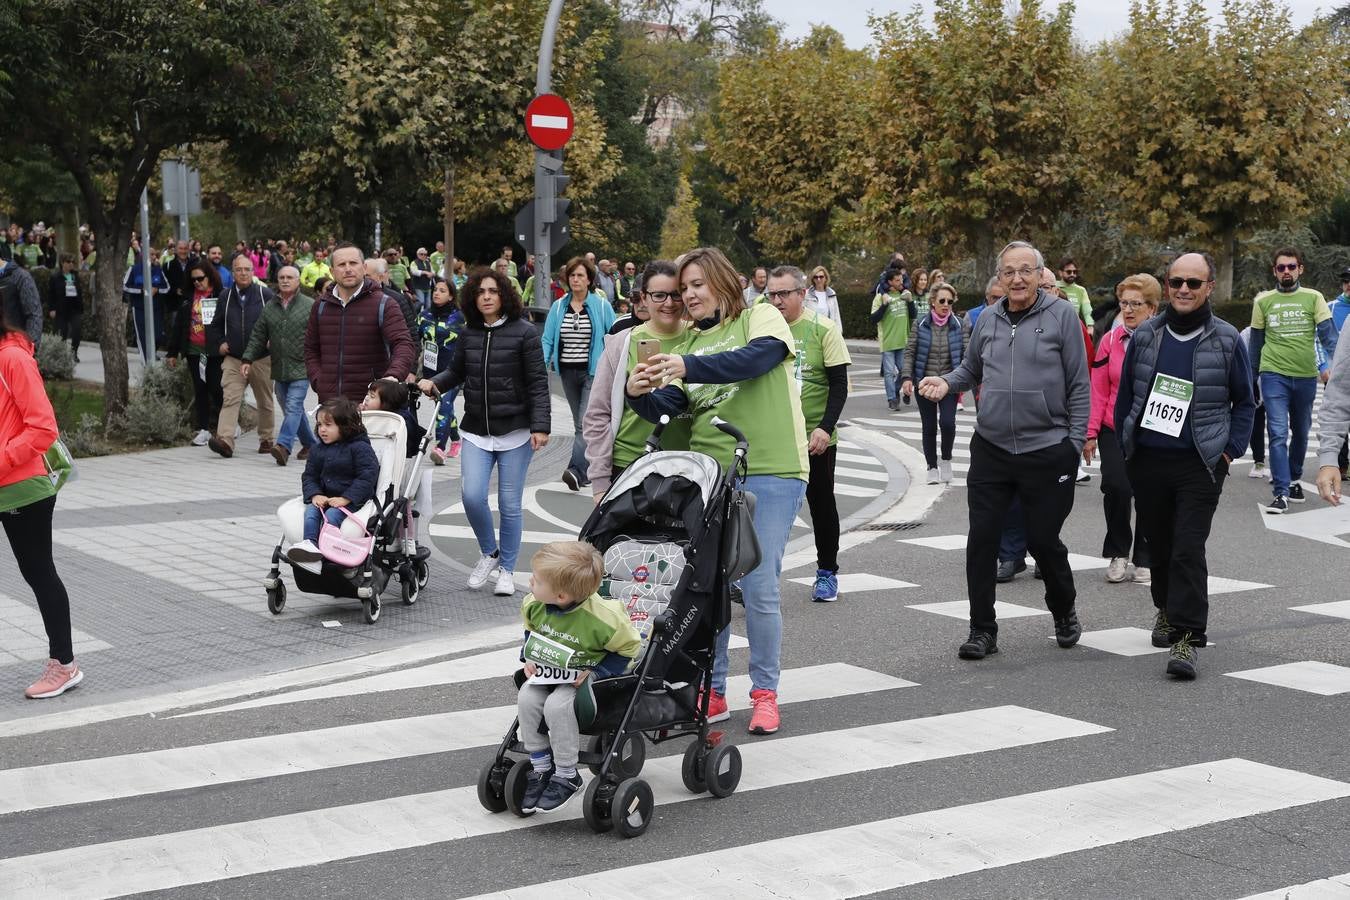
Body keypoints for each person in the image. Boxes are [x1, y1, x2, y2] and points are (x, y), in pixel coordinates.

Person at [626, 247, 808, 736]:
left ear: (723, 282)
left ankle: (765, 693)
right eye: (684, 288)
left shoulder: (760, 316)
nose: (689, 295)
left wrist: (686, 365)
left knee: (758, 582)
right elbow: (670, 413)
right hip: (713, 474)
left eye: (697, 285)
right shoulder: (686, 342)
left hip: (770, 467)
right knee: (710, 588)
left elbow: (758, 359)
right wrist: (639, 393)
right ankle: (715, 689)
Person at [918, 240, 1089, 661]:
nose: (1017, 278)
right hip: (992, 448)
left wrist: (1074, 443)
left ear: (1039, 275)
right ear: (999, 278)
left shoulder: (1062, 316)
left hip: (1047, 448)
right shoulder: (987, 319)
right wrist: (947, 382)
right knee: (982, 541)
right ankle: (982, 630)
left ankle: (1063, 608)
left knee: (1043, 540)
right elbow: (972, 369)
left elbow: (1079, 384)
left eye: (1025, 270)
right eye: (1009, 271)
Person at [1115, 252, 1254, 679]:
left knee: (1187, 549)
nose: (1184, 290)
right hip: (1150, 461)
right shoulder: (1146, 336)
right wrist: (1127, 446)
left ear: (1210, 287)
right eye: (1177, 282)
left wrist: (1228, 452)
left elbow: (1246, 402)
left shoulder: (1227, 339)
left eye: (1194, 283)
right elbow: (1127, 396)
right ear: (1167, 285)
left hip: (1200, 463)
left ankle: (1189, 639)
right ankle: (1166, 610)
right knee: (1159, 545)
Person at [419, 269, 550, 598]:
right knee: (472, 496)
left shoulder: (524, 333)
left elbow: (537, 382)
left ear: (504, 294)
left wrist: (541, 426)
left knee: (509, 504)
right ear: (473, 298)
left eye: (493, 291)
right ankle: (489, 552)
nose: (487, 296)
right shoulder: (469, 333)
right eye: (481, 292)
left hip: (516, 431)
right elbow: (456, 371)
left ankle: (506, 568)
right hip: (476, 430)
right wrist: (434, 383)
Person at [515, 540, 642, 813]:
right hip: (549, 670)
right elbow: (531, 632)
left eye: (536, 580)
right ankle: (540, 764)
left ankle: (566, 773)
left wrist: (599, 672)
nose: (530, 582)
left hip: (583, 676)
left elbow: (630, 647)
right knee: (527, 697)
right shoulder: (534, 604)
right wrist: (530, 658)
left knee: (557, 705)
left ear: (561, 596)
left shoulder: (605, 618)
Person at [0, 314, 83, 698]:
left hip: (23, 485)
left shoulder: (13, 359)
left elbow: (43, 427)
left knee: (38, 572)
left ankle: (64, 665)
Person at [767, 265, 851, 603]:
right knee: (759, 507)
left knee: (820, 503)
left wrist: (825, 428)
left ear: (802, 294)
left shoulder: (822, 329)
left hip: (813, 438)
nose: (777, 301)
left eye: (784, 294)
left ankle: (827, 572)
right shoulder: (761, 328)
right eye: (771, 294)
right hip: (771, 436)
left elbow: (840, 386)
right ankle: (749, 577)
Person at [582, 260, 692, 499]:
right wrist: (600, 484)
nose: (669, 303)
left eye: (676, 295)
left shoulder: (702, 338)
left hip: (689, 468)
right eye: (659, 295)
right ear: (643, 297)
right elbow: (597, 414)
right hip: (629, 465)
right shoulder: (620, 343)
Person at [1250, 247, 1339, 513]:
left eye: (1291, 266)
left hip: (1304, 376)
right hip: (1273, 373)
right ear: (1274, 271)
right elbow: (1255, 347)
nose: (1286, 271)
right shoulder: (1263, 301)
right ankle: (1281, 491)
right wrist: (1251, 381)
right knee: (1277, 433)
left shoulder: (1314, 298)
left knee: (1300, 432)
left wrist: (1339, 372)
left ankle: (1295, 478)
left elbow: (1330, 339)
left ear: (1300, 269)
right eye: (1281, 267)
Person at [1083, 274, 1159, 585]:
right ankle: (1118, 551)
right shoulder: (1109, 341)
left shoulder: (1164, 341)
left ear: (1152, 309)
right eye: (1124, 303)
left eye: (1135, 304)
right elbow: (1098, 389)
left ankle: (1146, 556)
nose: (1127, 310)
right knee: (1116, 487)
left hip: (1152, 430)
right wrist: (1090, 433)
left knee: (1149, 493)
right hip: (1114, 427)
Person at [541, 256, 617, 491]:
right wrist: (539, 366)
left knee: (584, 424)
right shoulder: (559, 306)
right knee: (580, 425)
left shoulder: (601, 305)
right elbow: (547, 339)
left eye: (580, 275)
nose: (575, 279)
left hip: (593, 372)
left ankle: (575, 470)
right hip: (567, 371)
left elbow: (614, 336)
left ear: (589, 279)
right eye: (572, 275)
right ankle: (587, 472)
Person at [305, 243, 416, 403]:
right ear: (331, 271)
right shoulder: (320, 305)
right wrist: (318, 381)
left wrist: (392, 376)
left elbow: (403, 343)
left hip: (370, 405)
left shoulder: (384, 304)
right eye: (342, 264)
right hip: (330, 404)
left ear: (364, 268)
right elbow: (310, 348)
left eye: (353, 263)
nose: (348, 269)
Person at [286, 398, 382, 572]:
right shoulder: (318, 449)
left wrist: (346, 498)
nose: (322, 429)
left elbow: (367, 476)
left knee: (331, 516)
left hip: (352, 499)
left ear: (345, 426)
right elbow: (310, 475)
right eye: (319, 424)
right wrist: (315, 494)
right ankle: (310, 546)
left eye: (328, 425)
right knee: (311, 514)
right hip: (324, 496)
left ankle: (329, 551)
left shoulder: (360, 448)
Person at [242, 265, 315, 466]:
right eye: (281, 277)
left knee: (293, 406)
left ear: (298, 281)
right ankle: (311, 445)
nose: (285, 280)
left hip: (301, 367)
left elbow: (320, 336)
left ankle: (283, 446)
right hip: (279, 367)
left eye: (289, 277)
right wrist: (247, 359)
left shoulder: (310, 305)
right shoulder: (270, 307)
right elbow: (258, 335)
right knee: (293, 409)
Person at [206, 255, 276, 458]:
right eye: (239, 270)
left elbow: (278, 322)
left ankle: (266, 439)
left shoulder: (266, 295)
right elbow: (215, 325)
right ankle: (225, 441)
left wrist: (273, 339)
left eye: (247, 269)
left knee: (264, 401)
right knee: (230, 398)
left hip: (261, 358)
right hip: (234, 357)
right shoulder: (225, 297)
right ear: (233, 272)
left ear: (253, 272)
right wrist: (220, 343)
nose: (243, 273)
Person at [902, 283, 971, 484]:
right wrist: (907, 378)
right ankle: (932, 466)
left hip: (949, 384)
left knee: (948, 423)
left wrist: (964, 379)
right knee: (929, 426)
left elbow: (967, 354)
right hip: (925, 384)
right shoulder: (920, 323)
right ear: (933, 302)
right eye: (942, 301)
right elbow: (910, 352)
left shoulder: (959, 324)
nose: (946, 305)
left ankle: (946, 459)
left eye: (950, 301)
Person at [362, 380, 431, 551]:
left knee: (403, 503)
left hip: (400, 468)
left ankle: (407, 539)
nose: (365, 399)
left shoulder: (401, 420)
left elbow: (410, 446)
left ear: (386, 403)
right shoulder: (368, 417)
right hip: (374, 470)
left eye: (371, 397)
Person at [167, 261, 225, 447]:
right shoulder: (188, 299)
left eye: (201, 278)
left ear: (210, 276)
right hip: (194, 351)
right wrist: (172, 352)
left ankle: (228, 424)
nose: (197, 283)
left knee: (217, 388)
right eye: (194, 280)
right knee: (200, 389)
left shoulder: (221, 296)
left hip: (216, 352)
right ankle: (204, 429)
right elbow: (178, 326)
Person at [419, 279, 466, 464]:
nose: (436, 293)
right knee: (445, 407)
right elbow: (415, 341)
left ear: (451, 295)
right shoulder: (424, 316)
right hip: (432, 373)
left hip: (453, 372)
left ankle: (440, 447)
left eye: (442, 290)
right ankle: (455, 439)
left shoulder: (460, 318)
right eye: (435, 290)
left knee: (443, 406)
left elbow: (469, 343)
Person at [871, 268, 914, 411]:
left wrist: (910, 301)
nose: (901, 282)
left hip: (903, 340)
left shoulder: (904, 294)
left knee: (904, 371)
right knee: (889, 373)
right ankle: (892, 399)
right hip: (888, 341)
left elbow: (912, 315)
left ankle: (895, 390)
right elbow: (873, 318)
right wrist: (884, 305)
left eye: (901, 280)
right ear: (890, 282)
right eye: (897, 280)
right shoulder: (880, 297)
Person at [123, 245, 169, 361]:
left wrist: (157, 289)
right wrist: (141, 290)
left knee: (159, 335)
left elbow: (167, 287)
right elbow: (125, 286)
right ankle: (147, 364)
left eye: (155, 255)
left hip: (156, 308)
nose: (154, 257)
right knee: (142, 337)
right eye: (151, 254)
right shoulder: (134, 269)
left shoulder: (158, 270)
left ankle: (152, 353)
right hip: (139, 308)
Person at [46, 254, 84, 360]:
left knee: (77, 331)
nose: (71, 264)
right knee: (61, 333)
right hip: (61, 309)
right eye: (68, 261)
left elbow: (79, 292)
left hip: (74, 308)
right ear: (62, 263)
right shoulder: (55, 277)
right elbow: (51, 294)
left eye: (73, 262)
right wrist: (51, 309)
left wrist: (81, 307)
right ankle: (61, 355)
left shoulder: (75, 275)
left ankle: (74, 353)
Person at [1057, 257, 1093, 325]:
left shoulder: (1081, 290)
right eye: (1069, 272)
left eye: (1075, 272)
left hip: (1073, 326)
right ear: (1060, 273)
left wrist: (1090, 325)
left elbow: (1087, 312)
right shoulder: (1052, 286)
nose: (1072, 274)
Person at [806, 266, 844, 330]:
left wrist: (839, 331)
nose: (818, 279)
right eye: (816, 277)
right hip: (811, 330)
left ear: (826, 278)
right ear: (813, 279)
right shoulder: (807, 294)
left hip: (828, 330)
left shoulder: (831, 294)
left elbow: (836, 315)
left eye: (821, 277)